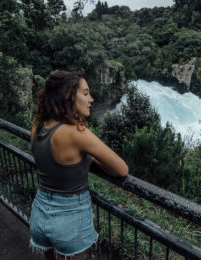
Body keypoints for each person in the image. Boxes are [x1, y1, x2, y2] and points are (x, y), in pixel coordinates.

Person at [29, 71, 128, 260]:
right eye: (85, 93)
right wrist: (88, 156)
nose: (91, 99)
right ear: (67, 96)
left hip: (40, 212)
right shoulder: (77, 133)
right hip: (70, 219)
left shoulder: (38, 127)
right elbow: (122, 169)